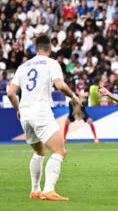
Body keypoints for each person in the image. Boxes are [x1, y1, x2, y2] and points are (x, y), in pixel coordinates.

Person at [7, 35, 81, 201]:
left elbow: (11, 93)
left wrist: (19, 109)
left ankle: (35, 190)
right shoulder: (51, 63)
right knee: (59, 151)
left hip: (25, 114)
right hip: (40, 111)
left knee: (39, 151)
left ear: (35, 47)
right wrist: (74, 97)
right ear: (50, 48)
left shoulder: (23, 66)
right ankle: (49, 190)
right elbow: (60, 85)